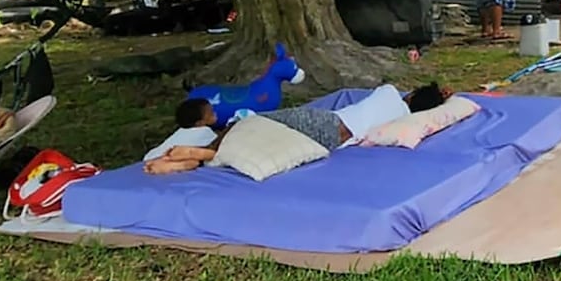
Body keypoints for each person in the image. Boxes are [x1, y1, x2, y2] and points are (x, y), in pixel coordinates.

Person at [147, 84, 448, 173]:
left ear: (411, 95)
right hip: (334, 142)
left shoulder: (389, 93)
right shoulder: (401, 123)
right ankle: (196, 159)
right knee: (259, 140)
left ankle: (203, 153)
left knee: (248, 123)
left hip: (323, 122)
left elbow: (403, 93)